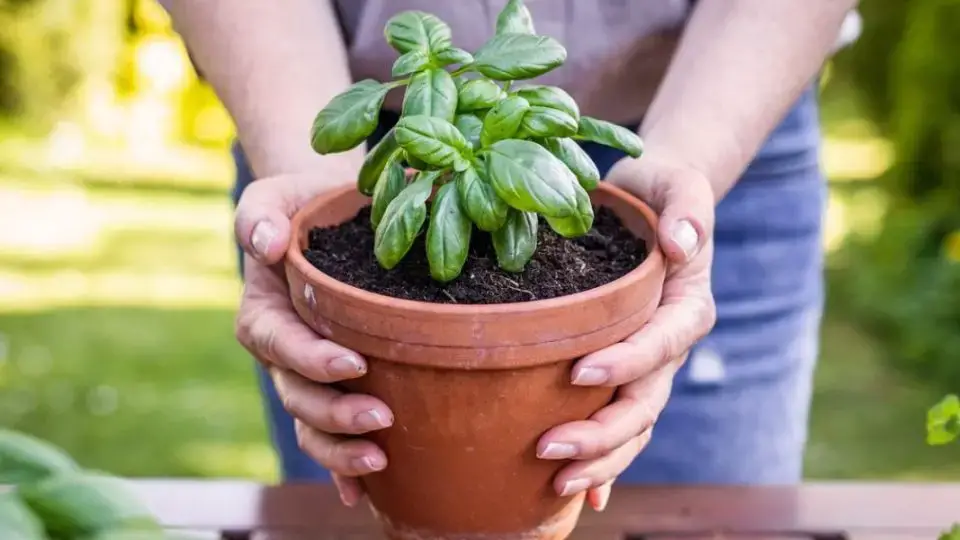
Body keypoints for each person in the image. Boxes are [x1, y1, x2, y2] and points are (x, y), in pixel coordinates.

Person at [159, 0, 859, 511]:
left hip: (724, 118)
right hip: (340, 130)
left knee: (709, 519)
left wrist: (691, 158)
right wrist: (312, 188)